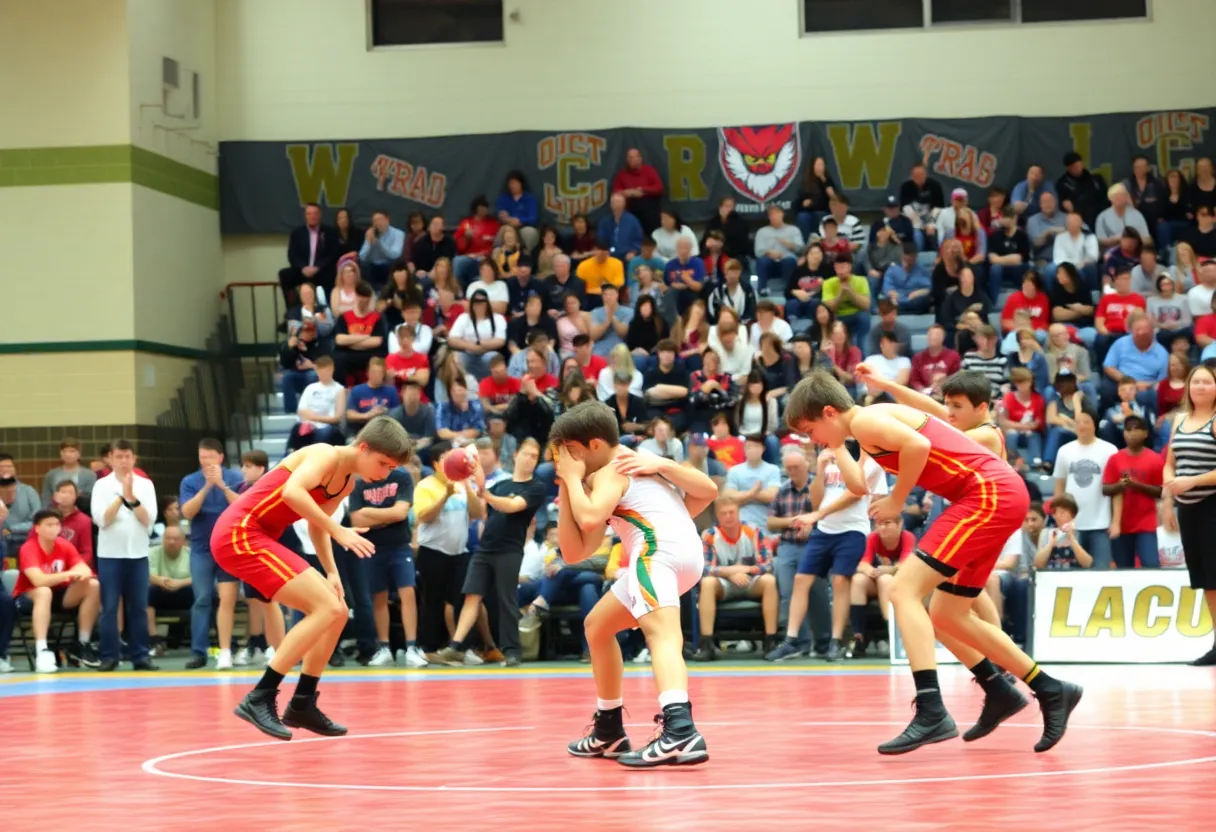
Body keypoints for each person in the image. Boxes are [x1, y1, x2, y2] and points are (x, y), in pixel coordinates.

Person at [785, 372, 1082, 755]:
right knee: (945, 614)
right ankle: (1040, 688)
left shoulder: (867, 420)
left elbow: (918, 445)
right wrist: (836, 447)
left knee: (902, 589)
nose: (813, 440)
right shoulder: (864, 428)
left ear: (829, 412)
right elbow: (859, 486)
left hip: (985, 495)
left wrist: (898, 499)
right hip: (995, 496)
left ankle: (931, 707)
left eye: (811, 431)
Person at [212, 417, 413, 740]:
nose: (385, 473)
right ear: (363, 447)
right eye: (383, 464)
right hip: (239, 533)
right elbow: (292, 493)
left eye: (392, 469)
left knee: (337, 609)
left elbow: (317, 525)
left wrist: (332, 571)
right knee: (326, 608)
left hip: (259, 537)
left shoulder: (346, 484)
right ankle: (260, 696)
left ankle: (303, 701)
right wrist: (339, 530)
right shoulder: (324, 454)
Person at [554, 401, 718, 767]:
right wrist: (568, 485)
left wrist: (571, 480)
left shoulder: (612, 470)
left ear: (594, 445)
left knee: (661, 636)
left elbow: (590, 518)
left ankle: (680, 730)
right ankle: (609, 729)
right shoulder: (631, 465)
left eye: (571, 452)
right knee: (597, 627)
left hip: (657, 554)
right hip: (681, 553)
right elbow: (576, 552)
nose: (567, 460)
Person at [764, 443, 888, 662]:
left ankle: (836, 641)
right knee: (801, 579)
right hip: (825, 530)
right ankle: (791, 640)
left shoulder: (869, 462)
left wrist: (817, 515)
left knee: (840, 580)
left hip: (852, 529)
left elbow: (854, 494)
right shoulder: (829, 457)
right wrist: (820, 471)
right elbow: (815, 500)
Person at [432, 439, 547, 668]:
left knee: (506, 599)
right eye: (526, 454)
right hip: (485, 549)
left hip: (509, 550)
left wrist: (485, 494)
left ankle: (512, 651)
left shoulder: (535, 487)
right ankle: (456, 647)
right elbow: (479, 511)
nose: (529, 459)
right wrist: (468, 485)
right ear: (515, 455)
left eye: (534, 456)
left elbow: (511, 506)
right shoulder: (500, 485)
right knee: (471, 596)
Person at [1162, 364, 1216, 665]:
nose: (1201, 387)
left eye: (1207, 382)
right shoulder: (1180, 419)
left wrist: (1192, 481)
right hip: (1188, 509)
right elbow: (1169, 463)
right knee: (1206, 580)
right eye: (1196, 382)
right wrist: (1170, 491)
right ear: (1188, 387)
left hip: (1212, 505)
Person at [350, 459, 426, 668]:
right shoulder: (360, 482)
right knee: (379, 597)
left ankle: (412, 647)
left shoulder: (401, 477)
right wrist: (388, 515)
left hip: (399, 545)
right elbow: (356, 520)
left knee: (407, 592)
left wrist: (369, 514)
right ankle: (384, 648)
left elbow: (400, 513)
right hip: (372, 547)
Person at [91, 439, 158, 672]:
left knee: (138, 606)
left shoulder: (145, 485)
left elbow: (148, 520)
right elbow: (102, 520)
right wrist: (121, 496)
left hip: (138, 554)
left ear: (134, 458)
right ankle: (109, 656)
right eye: (119, 457)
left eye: (127, 456)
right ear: (110, 458)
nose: (123, 461)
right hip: (110, 555)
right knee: (110, 607)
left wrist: (132, 498)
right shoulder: (102, 485)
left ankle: (140, 656)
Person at [179, 438, 246, 670]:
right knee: (202, 599)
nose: (206, 461)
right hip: (201, 548)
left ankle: (226, 649)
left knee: (228, 599)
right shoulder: (190, 481)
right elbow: (187, 512)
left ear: (220, 457)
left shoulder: (236, 478)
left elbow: (245, 507)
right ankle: (199, 652)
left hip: (229, 547)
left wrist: (222, 486)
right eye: (202, 457)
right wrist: (207, 486)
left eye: (210, 457)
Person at [13, 509, 102, 673]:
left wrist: (79, 574)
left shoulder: (64, 545)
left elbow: (85, 570)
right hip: (28, 597)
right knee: (44, 591)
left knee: (93, 585)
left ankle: (82, 644)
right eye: (49, 525)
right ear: (37, 528)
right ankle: (42, 649)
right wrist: (68, 574)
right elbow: (38, 580)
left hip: (58, 594)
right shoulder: (28, 548)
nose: (54, 528)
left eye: (57, 524)